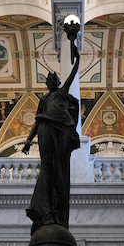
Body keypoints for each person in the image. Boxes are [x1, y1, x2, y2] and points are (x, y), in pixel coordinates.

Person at [22, 44, 80, 235]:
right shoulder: (44, 100)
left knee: (60, 166)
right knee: (47, 166)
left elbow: (72, 76)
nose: (52, 81)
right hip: (46, 127)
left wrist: (77, 58)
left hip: (61, 129)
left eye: (55, 78)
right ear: (47, 83)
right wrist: (29, 140)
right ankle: (46, 208)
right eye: (50, 79)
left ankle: (56, 205)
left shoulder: (62, 93)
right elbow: (37, 121)